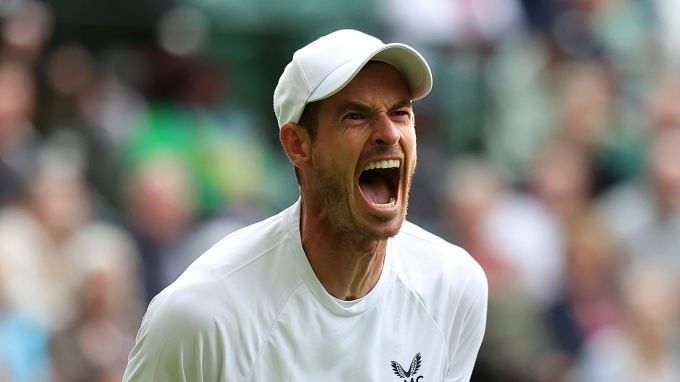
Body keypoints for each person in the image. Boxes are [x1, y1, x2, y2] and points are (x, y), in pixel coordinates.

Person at [123, 29, 487, 381]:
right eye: (356, 116)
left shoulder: (454, 286)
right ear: (297, 145)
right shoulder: (200, 316)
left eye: (400, 113)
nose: (389, 133)